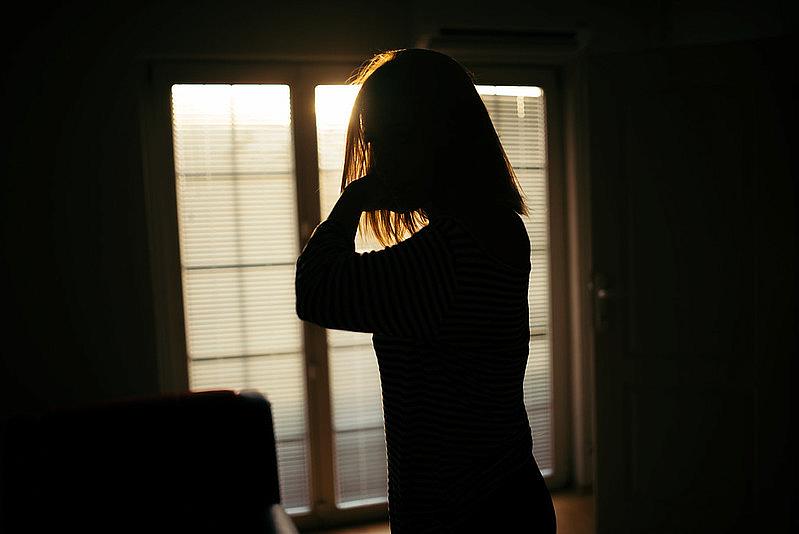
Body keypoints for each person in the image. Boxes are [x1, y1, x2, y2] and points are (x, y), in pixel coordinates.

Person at [295, 48, 556, 533]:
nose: (379, 163)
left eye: (389, 141)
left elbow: (316, 290)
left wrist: (352, 200)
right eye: (375, 144)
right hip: (500, 496)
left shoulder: (454, 252)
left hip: (470, 513)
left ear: (436, 136)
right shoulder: (494, 229)